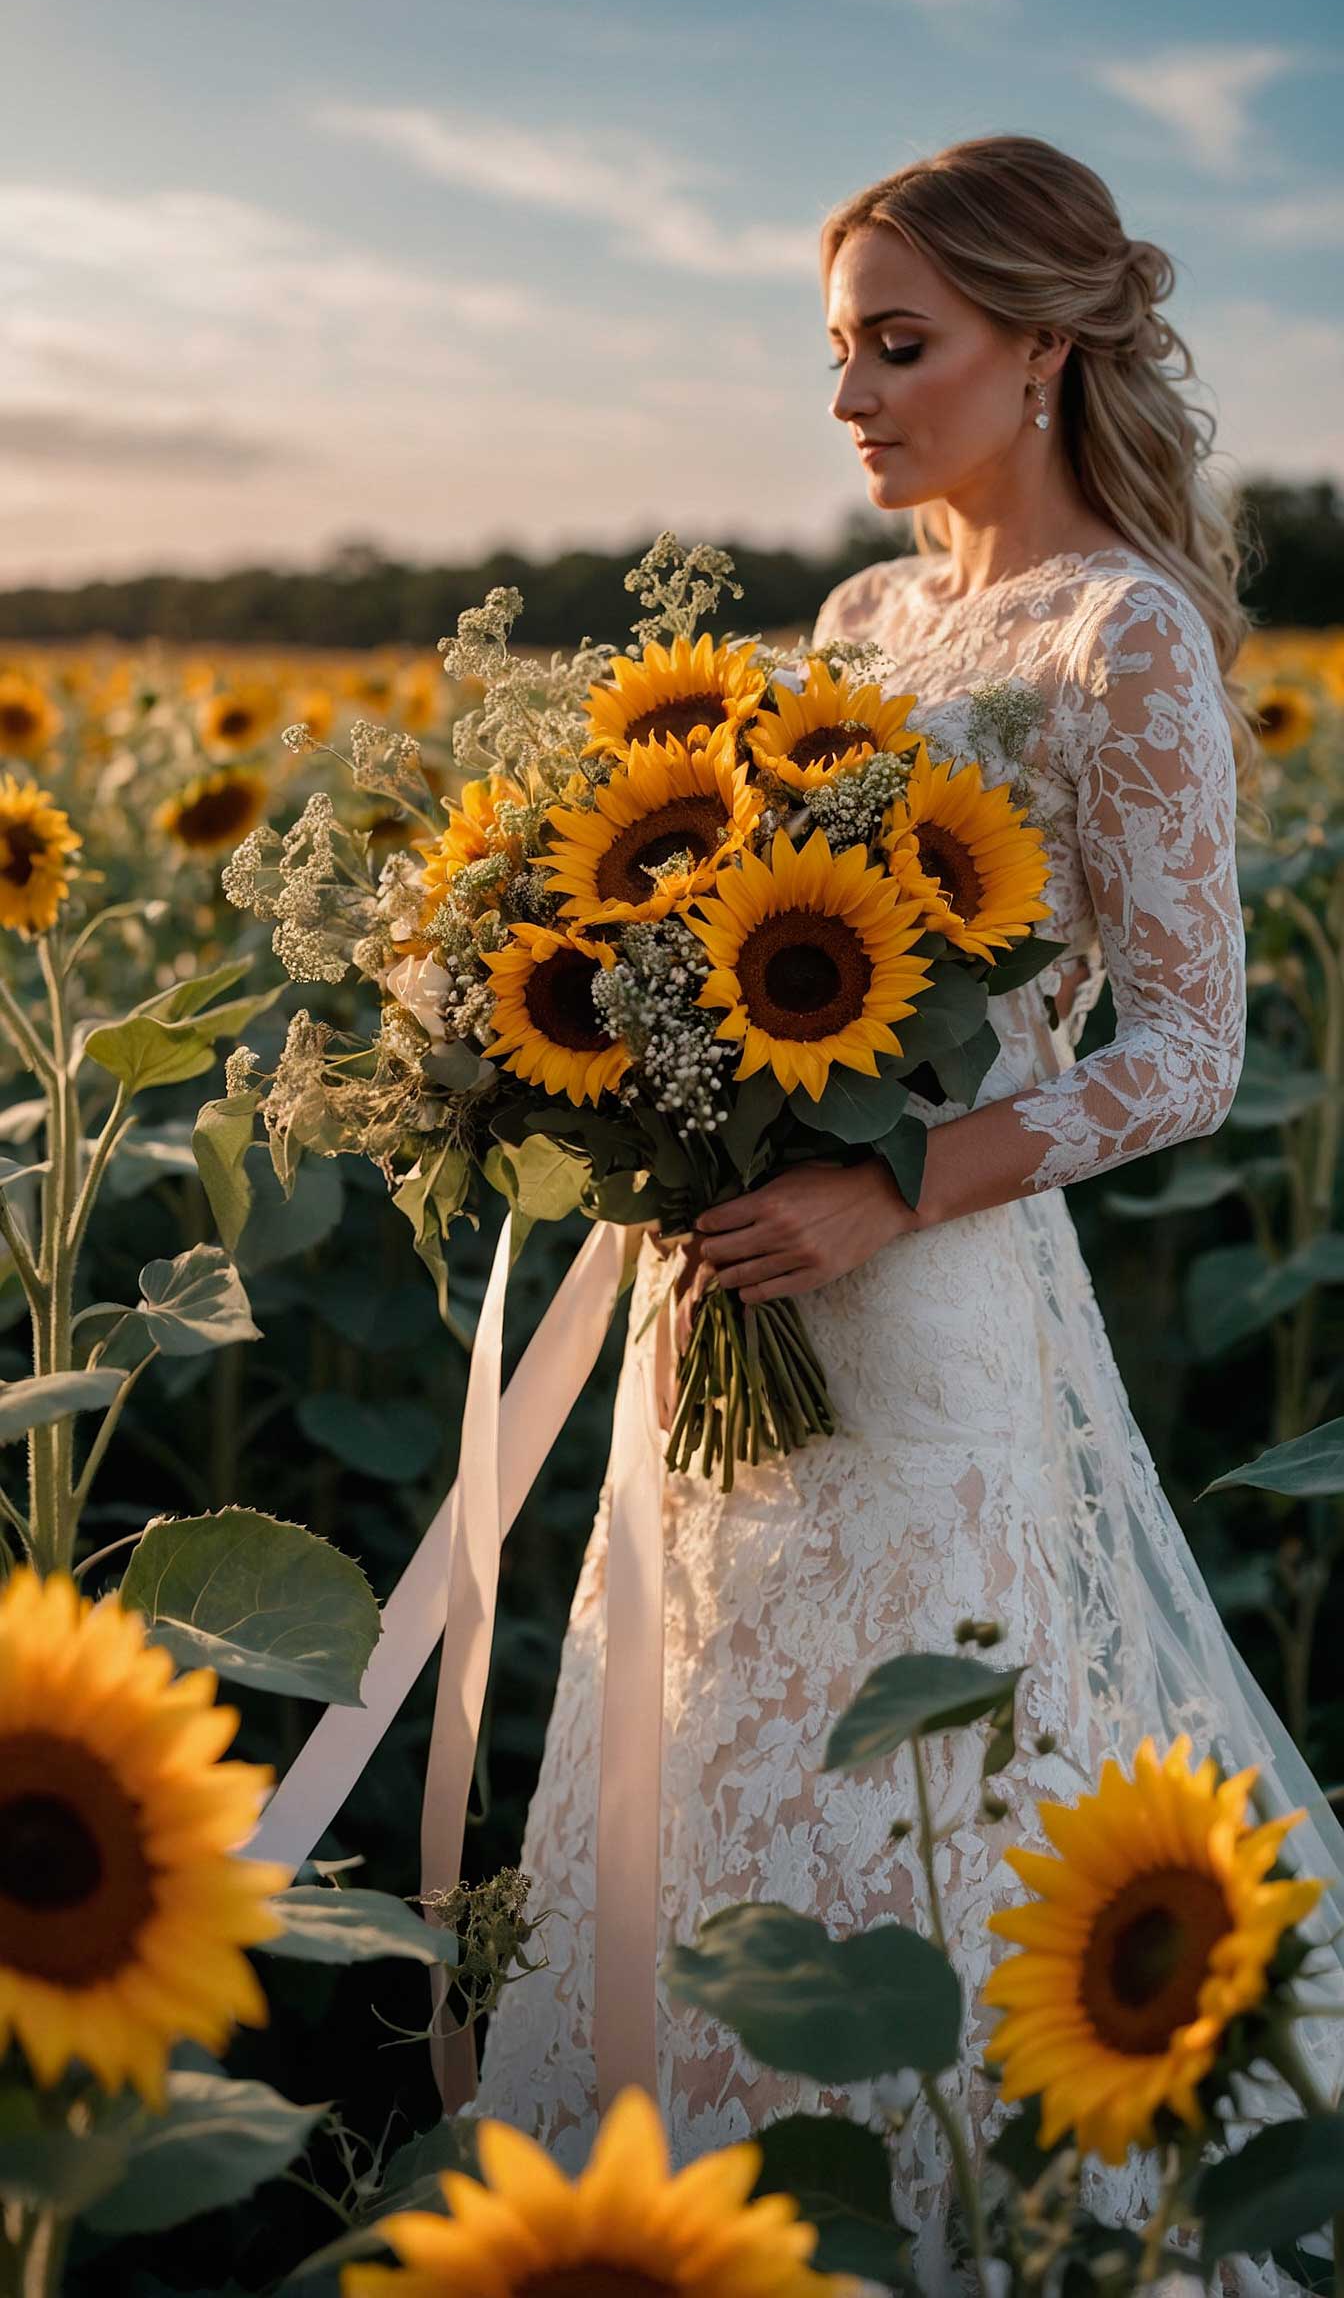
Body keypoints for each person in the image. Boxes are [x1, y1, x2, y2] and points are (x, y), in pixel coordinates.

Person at [469, 133, 1344, 2292]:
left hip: (935, 1295)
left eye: (897, 343)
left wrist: (886, 1188)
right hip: (741, 1281)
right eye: (835, 347)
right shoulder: (862, 620)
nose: (850, 394)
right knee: (717, 1735)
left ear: (1039, 350)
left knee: (923, 1776)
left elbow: (1183, 1050)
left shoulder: (1121, 636)